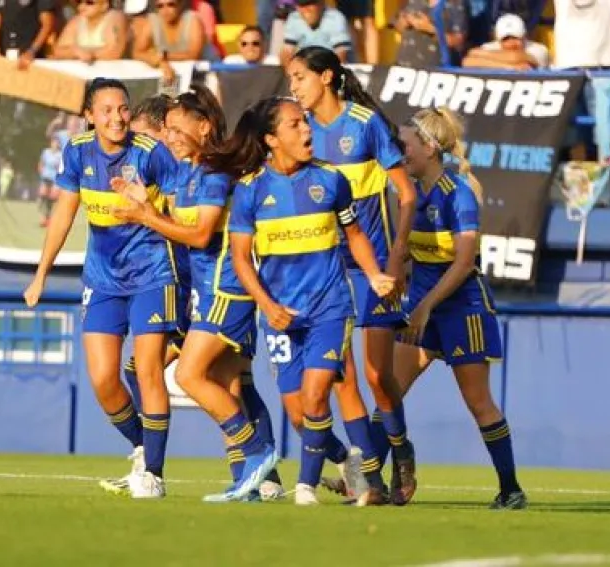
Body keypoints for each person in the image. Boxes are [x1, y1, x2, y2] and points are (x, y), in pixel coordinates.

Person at [216, 97, 395, 505]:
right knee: (299, 414)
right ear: (271, 139)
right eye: (295, 124)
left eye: (306, 122)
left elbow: (354, 236)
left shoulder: (331, 179)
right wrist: (268, 306)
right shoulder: (250, 190)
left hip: (330, 307)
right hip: (281, 315)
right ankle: (349, 463)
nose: (307, 130)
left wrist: (373, 274)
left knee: (317, 395)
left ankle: (305, 487)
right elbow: (241, 259)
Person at [112, 88, 286, 502]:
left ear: (204, 126)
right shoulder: (187, 173)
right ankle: (250, 481)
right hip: (204, 293)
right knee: (226, 384)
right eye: (167, 130)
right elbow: (180, 230)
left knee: (188, 375)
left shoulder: (213, 174)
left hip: (228, 289)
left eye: (177, 129)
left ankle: (258, 452)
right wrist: (146, 204)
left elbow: (202, 234)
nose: (169, 137)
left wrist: (146, 216)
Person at [23, 78, 181, 499]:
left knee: (147, 371)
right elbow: (63, 214)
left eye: (123, 108)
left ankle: (154, 475)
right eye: (107, 110)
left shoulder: (151, 153)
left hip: (152, 274)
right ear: (89, 116)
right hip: (103, 279)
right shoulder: (77, 151)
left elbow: (183, 217)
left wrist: (148, 209)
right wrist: (41, 273)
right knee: (103, 379)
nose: (117, 118)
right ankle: (143, 448)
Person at [287, 46, 419, 505]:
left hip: (374, 266)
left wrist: (398, 255)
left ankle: (402, 450)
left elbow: (406, 194)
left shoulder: (364, 124)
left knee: (378, 375)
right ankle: (371, 482)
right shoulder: (301, 133)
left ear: (326, 77)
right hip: (329, 273)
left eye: (300, 77)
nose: (294, 87)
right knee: (343, 378)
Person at [393, 107, 527, 510]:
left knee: (478, 402)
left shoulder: (458, 194)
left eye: (405, 144)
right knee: (387, 392)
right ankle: (380, 481)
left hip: (462, 308)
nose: (399, 151)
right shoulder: (409, 194)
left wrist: (425, 307)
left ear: (429, 148)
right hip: (423, 307)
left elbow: (464, 263)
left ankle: (511, 490)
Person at [36, 135, 62, 227]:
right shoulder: (46, 152)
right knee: (42, 196)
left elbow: (61, 167)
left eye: (57, 143)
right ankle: (43, 214)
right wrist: (40, 170)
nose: (55, 145)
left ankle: (46, 219)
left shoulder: (60, 155)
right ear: (51, 143)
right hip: (45, 176)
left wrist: (58, 168)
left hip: (54, 178)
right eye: (53, 143)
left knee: (50, 199)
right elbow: (41, 163)